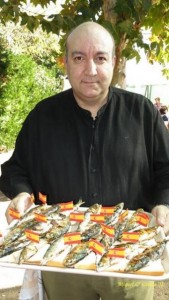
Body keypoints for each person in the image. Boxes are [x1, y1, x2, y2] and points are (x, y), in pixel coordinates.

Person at [0, 21, 169, 300]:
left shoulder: (142, 113)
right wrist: (21, 193)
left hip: (129, 258)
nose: (90, 70)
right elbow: (16, 168)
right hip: (61, 260)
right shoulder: (43, 116)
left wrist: (163, 203)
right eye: (79, 58)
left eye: (100, 58)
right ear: (65, 62)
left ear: (114, 62)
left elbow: (166, 169)